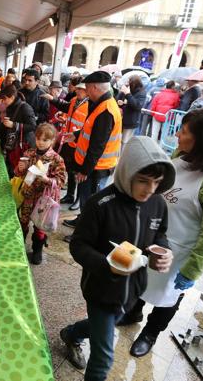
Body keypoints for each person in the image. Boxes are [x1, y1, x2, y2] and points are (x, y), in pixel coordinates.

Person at [121, 109, 203, 358]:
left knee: (167, 295)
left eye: (184, 131)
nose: (177, 135)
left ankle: (151, 333)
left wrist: (192, 270)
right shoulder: (181, 156)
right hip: (152, 238)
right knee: (140, 280)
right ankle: (133, 312)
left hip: (181, 250)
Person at [61, 136, 175, 379]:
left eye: (156, 182)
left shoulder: (157, 204)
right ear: (126, 174)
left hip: (133, 290)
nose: (150, 189)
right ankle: (74, 335)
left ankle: (71, 334)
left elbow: (160, 234)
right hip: (101, 290)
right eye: (143, 181)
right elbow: (79, 246)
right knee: (103, 358)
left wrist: (164, 250)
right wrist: (106, 265)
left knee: (103, 326)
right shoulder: (100, 204)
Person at [62, 71, 122, 238]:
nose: (86, 92)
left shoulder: (106, 110)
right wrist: (76, 135)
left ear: (95, 87)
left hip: (96, 168)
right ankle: (81, 219)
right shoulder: (100, 104)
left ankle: (83, 234)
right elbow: (90, 130)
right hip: (91, 165)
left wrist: (85, 171)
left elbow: (97, 145)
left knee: (91, 204)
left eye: (87, 88)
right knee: (85, 200)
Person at [13, 123, 67, 264]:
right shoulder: (29, 153)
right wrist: (20, 168)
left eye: (45, 140)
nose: (40, 142)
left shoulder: (56, 159)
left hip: (43, 199)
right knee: (23, 222)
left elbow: (61, 180)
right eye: (38, 139)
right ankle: (19, 248)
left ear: (52, 140)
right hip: (27, 195)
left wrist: (47, 179)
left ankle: (38, 250)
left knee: (39, 225)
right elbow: (19, 173)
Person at [42, 82, 89, 208]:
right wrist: (53, 99)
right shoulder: (74, 100)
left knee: (79, 173)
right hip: (69, 140)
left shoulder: (90, 105)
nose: (77, 91)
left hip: (80, 143)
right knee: (69, 169)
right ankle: (70, 195)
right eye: (77, 88)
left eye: (81, 89)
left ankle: (78, 200)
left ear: (87, 91)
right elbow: (65, 107)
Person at [0, 84, 37, 175]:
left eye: (4, 99)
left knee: (18, 172)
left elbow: (33, 126)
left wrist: (14, 125)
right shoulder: (10, 106)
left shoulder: (25, 107)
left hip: (22, 146)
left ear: (12, 97)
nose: (3, 102)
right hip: (12, 145)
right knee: (10, 169)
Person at [117, 75, 146, 146]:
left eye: (129, 83)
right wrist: (119, 101)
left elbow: (137, 106)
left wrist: (128, 94)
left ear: (134, 84)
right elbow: (118, 99)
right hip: (121, 119)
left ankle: (123, 156)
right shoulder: (127, 88)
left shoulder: (141, 92)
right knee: (117, 140)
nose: (127, 84)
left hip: (130, 121)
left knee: (124, 142)